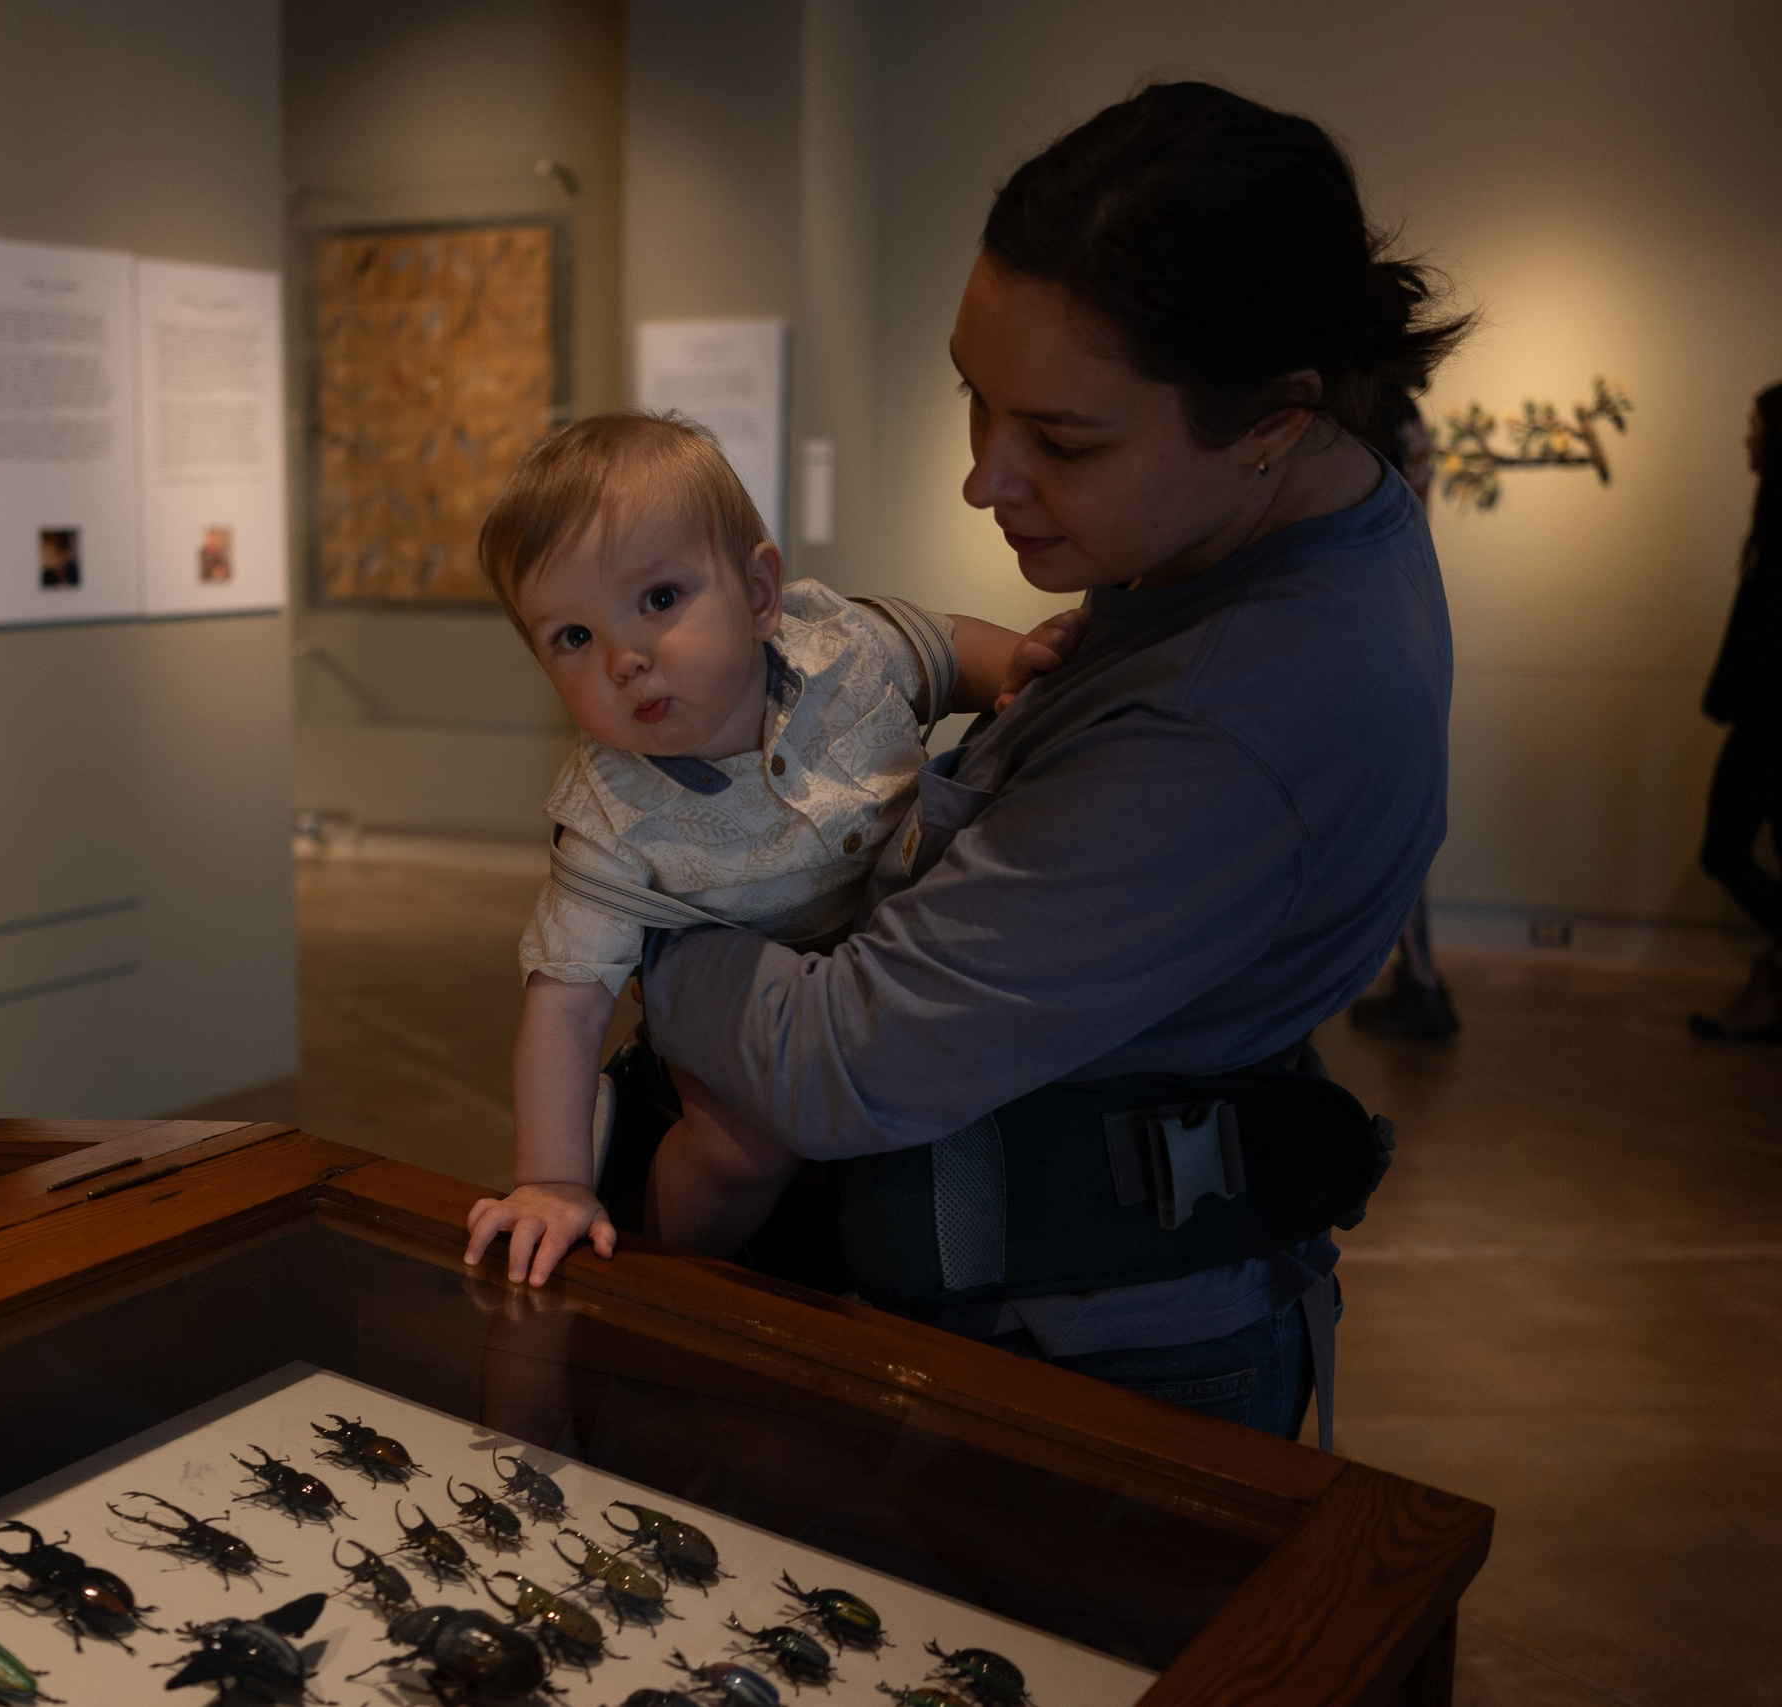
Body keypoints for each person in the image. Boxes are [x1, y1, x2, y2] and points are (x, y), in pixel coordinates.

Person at [624, 82, 1468, 1444]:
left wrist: (645, 904)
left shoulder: (1236, 718)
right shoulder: (1305, 505)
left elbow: (842, 1062)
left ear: (1271, 416)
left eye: (1064, 440)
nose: (984, 479)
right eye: (977, 396)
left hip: (1085, 1365)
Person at [459, 413, 1084, 1286]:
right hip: (740, 1010)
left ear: (760, 594)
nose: (625, 659)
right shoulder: (612, 814)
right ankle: (666, 1270)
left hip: (893, 969)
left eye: (660, 599)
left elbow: (943, 648)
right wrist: (552, 1180)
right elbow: (564, 1006)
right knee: (744, 1145)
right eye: (573, 638)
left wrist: (1018, 663)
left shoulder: (844, 647)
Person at [1351, 395, 1462, 1040]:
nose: (1425, 471)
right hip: (1399, 684)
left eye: (1427, 456)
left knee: (1400, 839)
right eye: (1414, 458)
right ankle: (1419, 980)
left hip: (1394, 687)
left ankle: (1420, 982)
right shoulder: (1396, 527)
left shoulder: (1389, 528)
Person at [1689, 383, 1782, 1042]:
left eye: (1754, 424)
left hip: (1770, 719)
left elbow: (1760, 621)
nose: (1745, 435)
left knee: (1724, 849)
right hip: (1764, 713)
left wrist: (1726, 692)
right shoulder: (1772, 509)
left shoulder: (1779, 512)